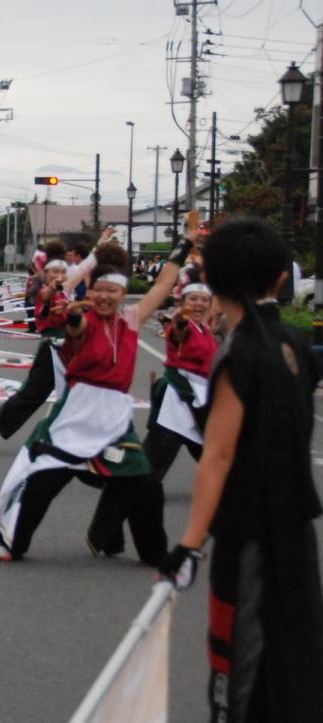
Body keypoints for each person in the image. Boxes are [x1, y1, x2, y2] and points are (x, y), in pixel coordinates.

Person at [157, 218, 323, 721]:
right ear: (278, 278)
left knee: (242, 668)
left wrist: (189, 542)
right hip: (297, 537)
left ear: (214, 281)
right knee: (296, 658)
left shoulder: (240, 352)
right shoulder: (293, 340)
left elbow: (219, 455)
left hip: (250, 537)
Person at [0, 232, 191, 563]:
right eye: (99, 291)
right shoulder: (85, 319)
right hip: (76, 416)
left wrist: (185, 245)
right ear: (91, 292)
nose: (105, 297)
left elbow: (162, 285)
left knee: (145, 486)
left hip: (113, 421)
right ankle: (13, 542)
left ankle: (154, 554)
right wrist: (71, 314)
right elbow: (74, 325)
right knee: (43, 480)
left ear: (123, 294)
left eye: (112, 292)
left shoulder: (131, 319)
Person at [87, 273, 216, 556]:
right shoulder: (181, 325)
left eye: (204, 300)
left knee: (223, 467)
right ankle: (103, 533)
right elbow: (177, 331)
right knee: (143, 474)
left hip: (200, 407)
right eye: (193, 299)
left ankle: (237, 530)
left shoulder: (206, 329)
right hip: (177, 407)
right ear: (182, 301)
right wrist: (179, 320)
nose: (198, 304)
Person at [0, 230, 115, 454]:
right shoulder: (44, 292)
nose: (59, 275)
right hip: (52, 350)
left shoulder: (67, 289)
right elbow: (48, 295)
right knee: (34, 394)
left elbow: (84, 266)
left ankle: (79, 440)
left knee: (77, 391)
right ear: (45, 274)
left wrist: (99, 245)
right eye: (54, 272)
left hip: (69, 349)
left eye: (62, 271)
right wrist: (54, 287)